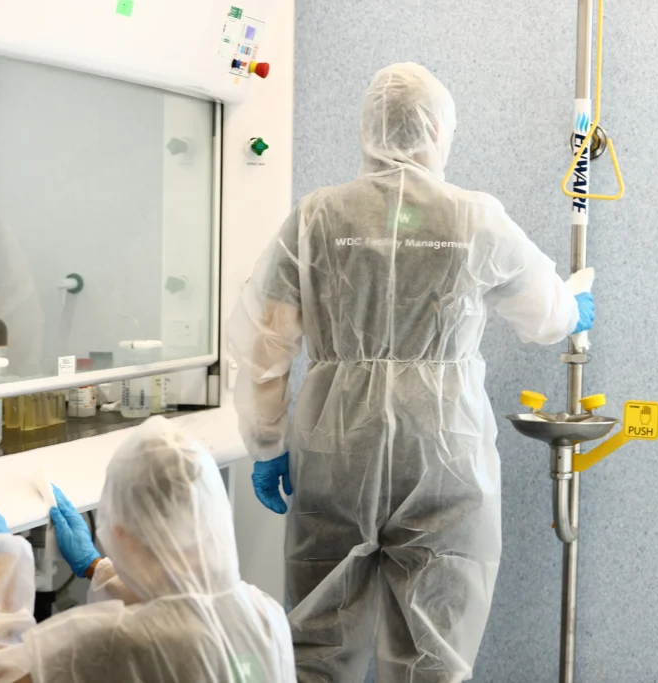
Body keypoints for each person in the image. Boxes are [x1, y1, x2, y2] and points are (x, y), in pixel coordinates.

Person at [228, 62, 595, 683]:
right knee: (434, 655)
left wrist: (267, 443)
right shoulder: (474, 218)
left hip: (335, 448)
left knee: (317, 646)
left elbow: (266, 344)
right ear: (437, 128)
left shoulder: (315, 219)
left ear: (367, 129)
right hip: (444, 453)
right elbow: (548, 316)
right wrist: (573, 304)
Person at [0, 416, 296, 682]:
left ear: (120, 530)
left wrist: (2, 560)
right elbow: (182, 602)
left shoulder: (117, 639)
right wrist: (96, 567)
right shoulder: (265, 614)